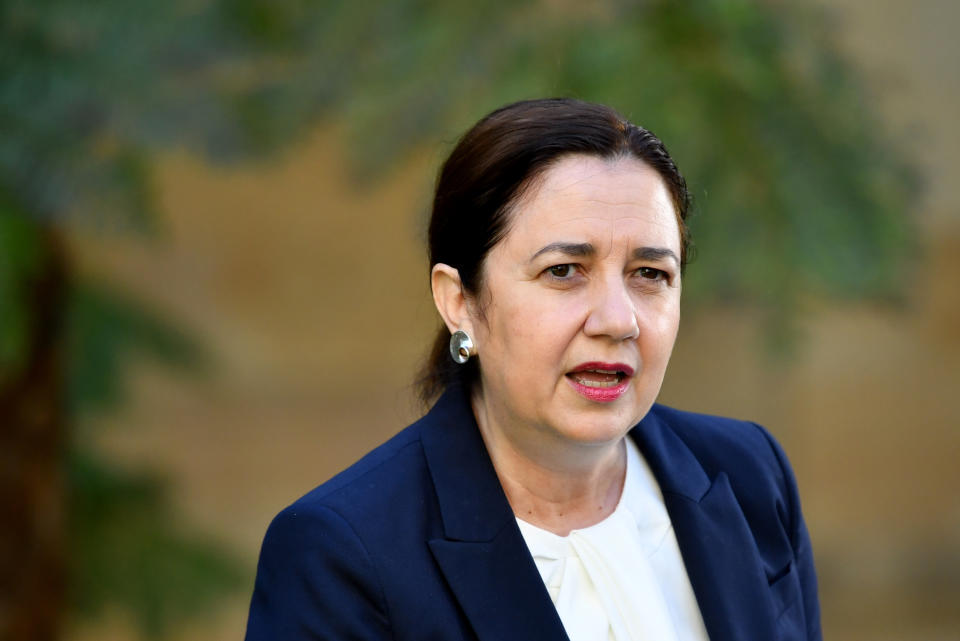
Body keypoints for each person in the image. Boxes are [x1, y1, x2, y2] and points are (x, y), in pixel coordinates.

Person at [244, 98, 821, 641]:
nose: (619, 321)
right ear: (458, 300)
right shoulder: (343, 552)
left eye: (650, 274)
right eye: (565, 270)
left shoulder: (749, 475)